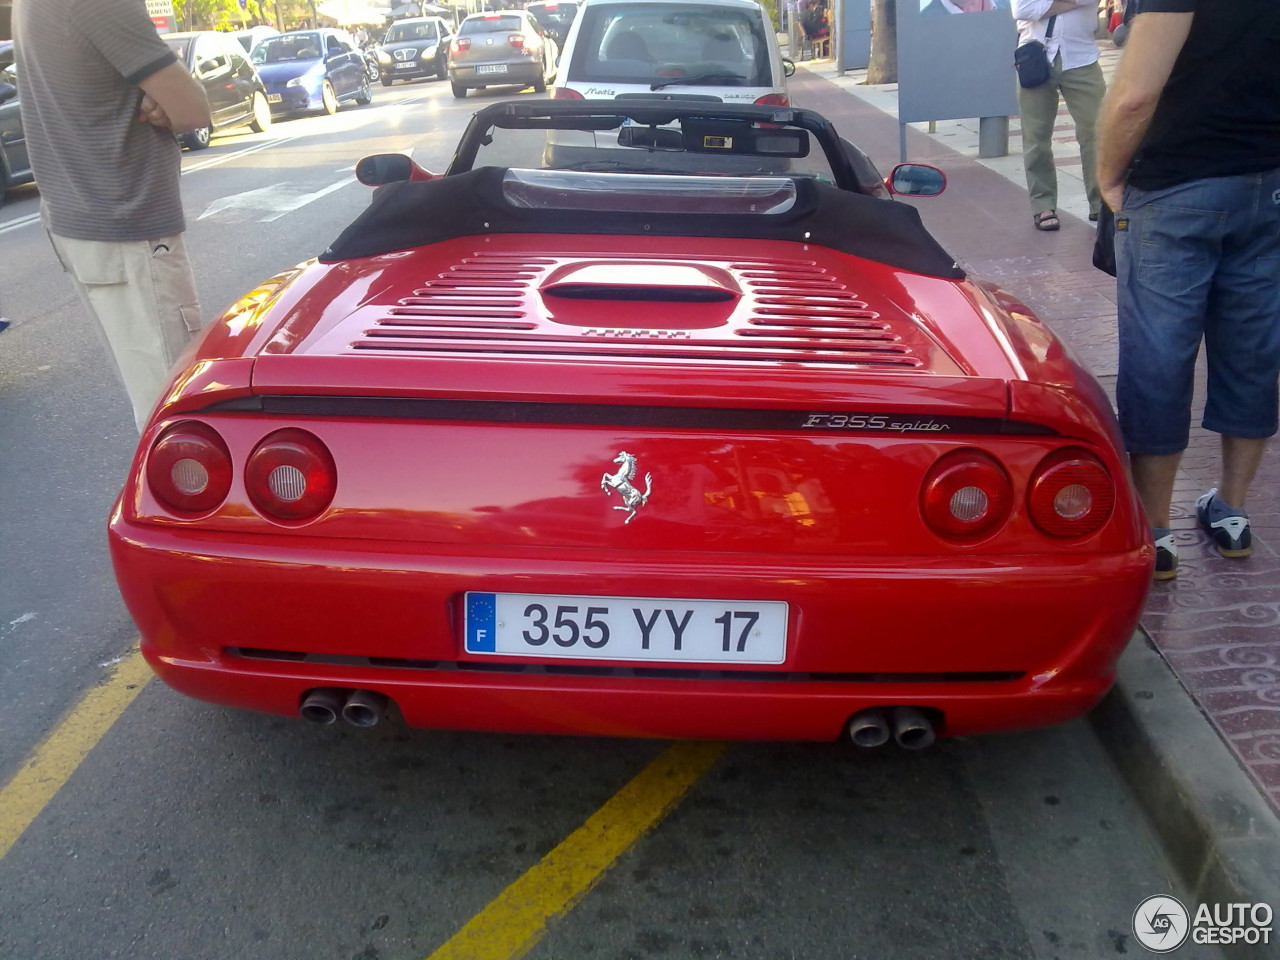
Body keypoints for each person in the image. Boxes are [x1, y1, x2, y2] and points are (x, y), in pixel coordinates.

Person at [1096, 2, 1280, 579]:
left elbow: (1133, 96)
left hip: (1177, 185)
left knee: (1159, 357)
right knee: (1254, 349)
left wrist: (1107, 175)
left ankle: (1156, 533)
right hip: (1269, 184)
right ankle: (1232, 511)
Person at [13, 0, 212, 432]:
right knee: (178, 412)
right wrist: (170, 93)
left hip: (78, 219)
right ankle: (176, 498)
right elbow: (193, 108)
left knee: (153, 398)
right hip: (128, 223)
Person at [1011, 0, 1105, 230]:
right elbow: (1022, 9)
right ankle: (1043, 204)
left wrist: (1044, 6)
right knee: (1036, 138)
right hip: (1035, 57)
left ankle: (1101, 204)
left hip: (1082, 57)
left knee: (1099, 133)